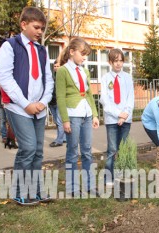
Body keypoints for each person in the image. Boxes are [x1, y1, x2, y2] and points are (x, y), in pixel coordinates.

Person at [0, 6, 54, 205]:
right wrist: (26, 104)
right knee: (27, 148)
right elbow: (5, 78)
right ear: (23, 24)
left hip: (38, 107)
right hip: (18, 107)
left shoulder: (42, 50)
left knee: (38, 150)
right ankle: (19, 191)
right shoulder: (10, 46)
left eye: (42, 28)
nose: (40, 32)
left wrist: (42, 102)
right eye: (36, 27)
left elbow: (48, 79)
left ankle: (36, 190)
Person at [56, 37, 100, 197]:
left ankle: (90, 185)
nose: (84, 58)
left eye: (86, 55)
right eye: (82, 54)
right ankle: (72, 187)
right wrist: (65, 120)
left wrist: (94, 114)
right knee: (73, 152)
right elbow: (60, 97)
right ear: (72, 52)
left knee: (87, 151)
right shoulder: (62, 71)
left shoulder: (85, 70)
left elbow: (89, 94)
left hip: (86, 115)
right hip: (73, 116)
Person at [100, 48, 134, 186]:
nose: (118, 64)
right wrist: (117, 114)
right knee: (112, 149)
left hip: (126, 118)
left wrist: (124, 115)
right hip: (111, 119)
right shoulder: (105, 78)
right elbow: (104, 100)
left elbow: (130, 99)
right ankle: (109, 177)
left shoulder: (127, 77)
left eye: (121, 61)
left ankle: (120, 175)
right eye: (115, 61)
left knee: (123, 148)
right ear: (110, 62)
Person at [48, 60, 66, 147]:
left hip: (59, 102)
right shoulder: (51, 77)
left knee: (59, 122)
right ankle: (64, 138)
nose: (56, 68)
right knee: (57, 121)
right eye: (55, 66)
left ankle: (59, 140)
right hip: (52, 102)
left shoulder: (63, 76)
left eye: (58, 66)